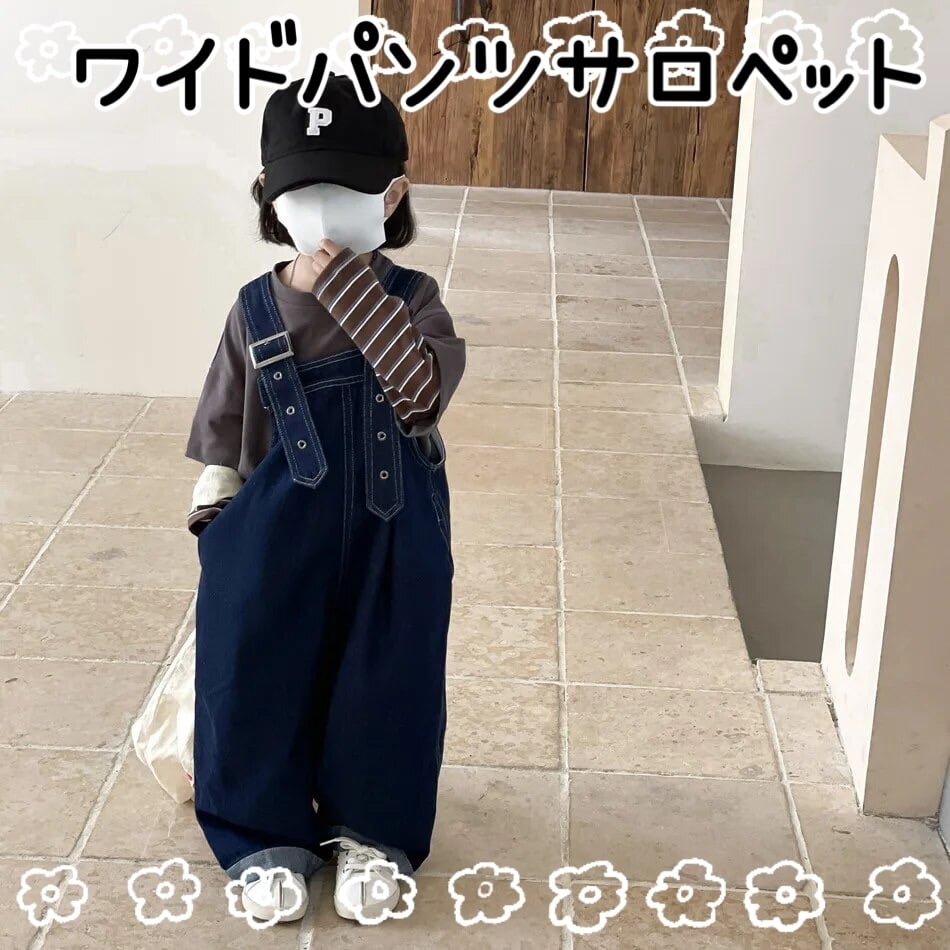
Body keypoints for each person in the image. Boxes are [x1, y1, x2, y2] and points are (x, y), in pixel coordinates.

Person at [184, 74, 465, 924]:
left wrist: (346, 290)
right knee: (254, 670)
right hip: (275, 530)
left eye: (347, 193)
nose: (323, 213)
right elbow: (225, 427)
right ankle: (260, 835)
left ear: (393, 197)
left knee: (388, 674)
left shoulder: (416, 302)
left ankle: (374, 834)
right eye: (303, 194)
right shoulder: (253, 309)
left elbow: (419, 394)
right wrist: (216, 516)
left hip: (393, 531)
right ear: (270, 198)